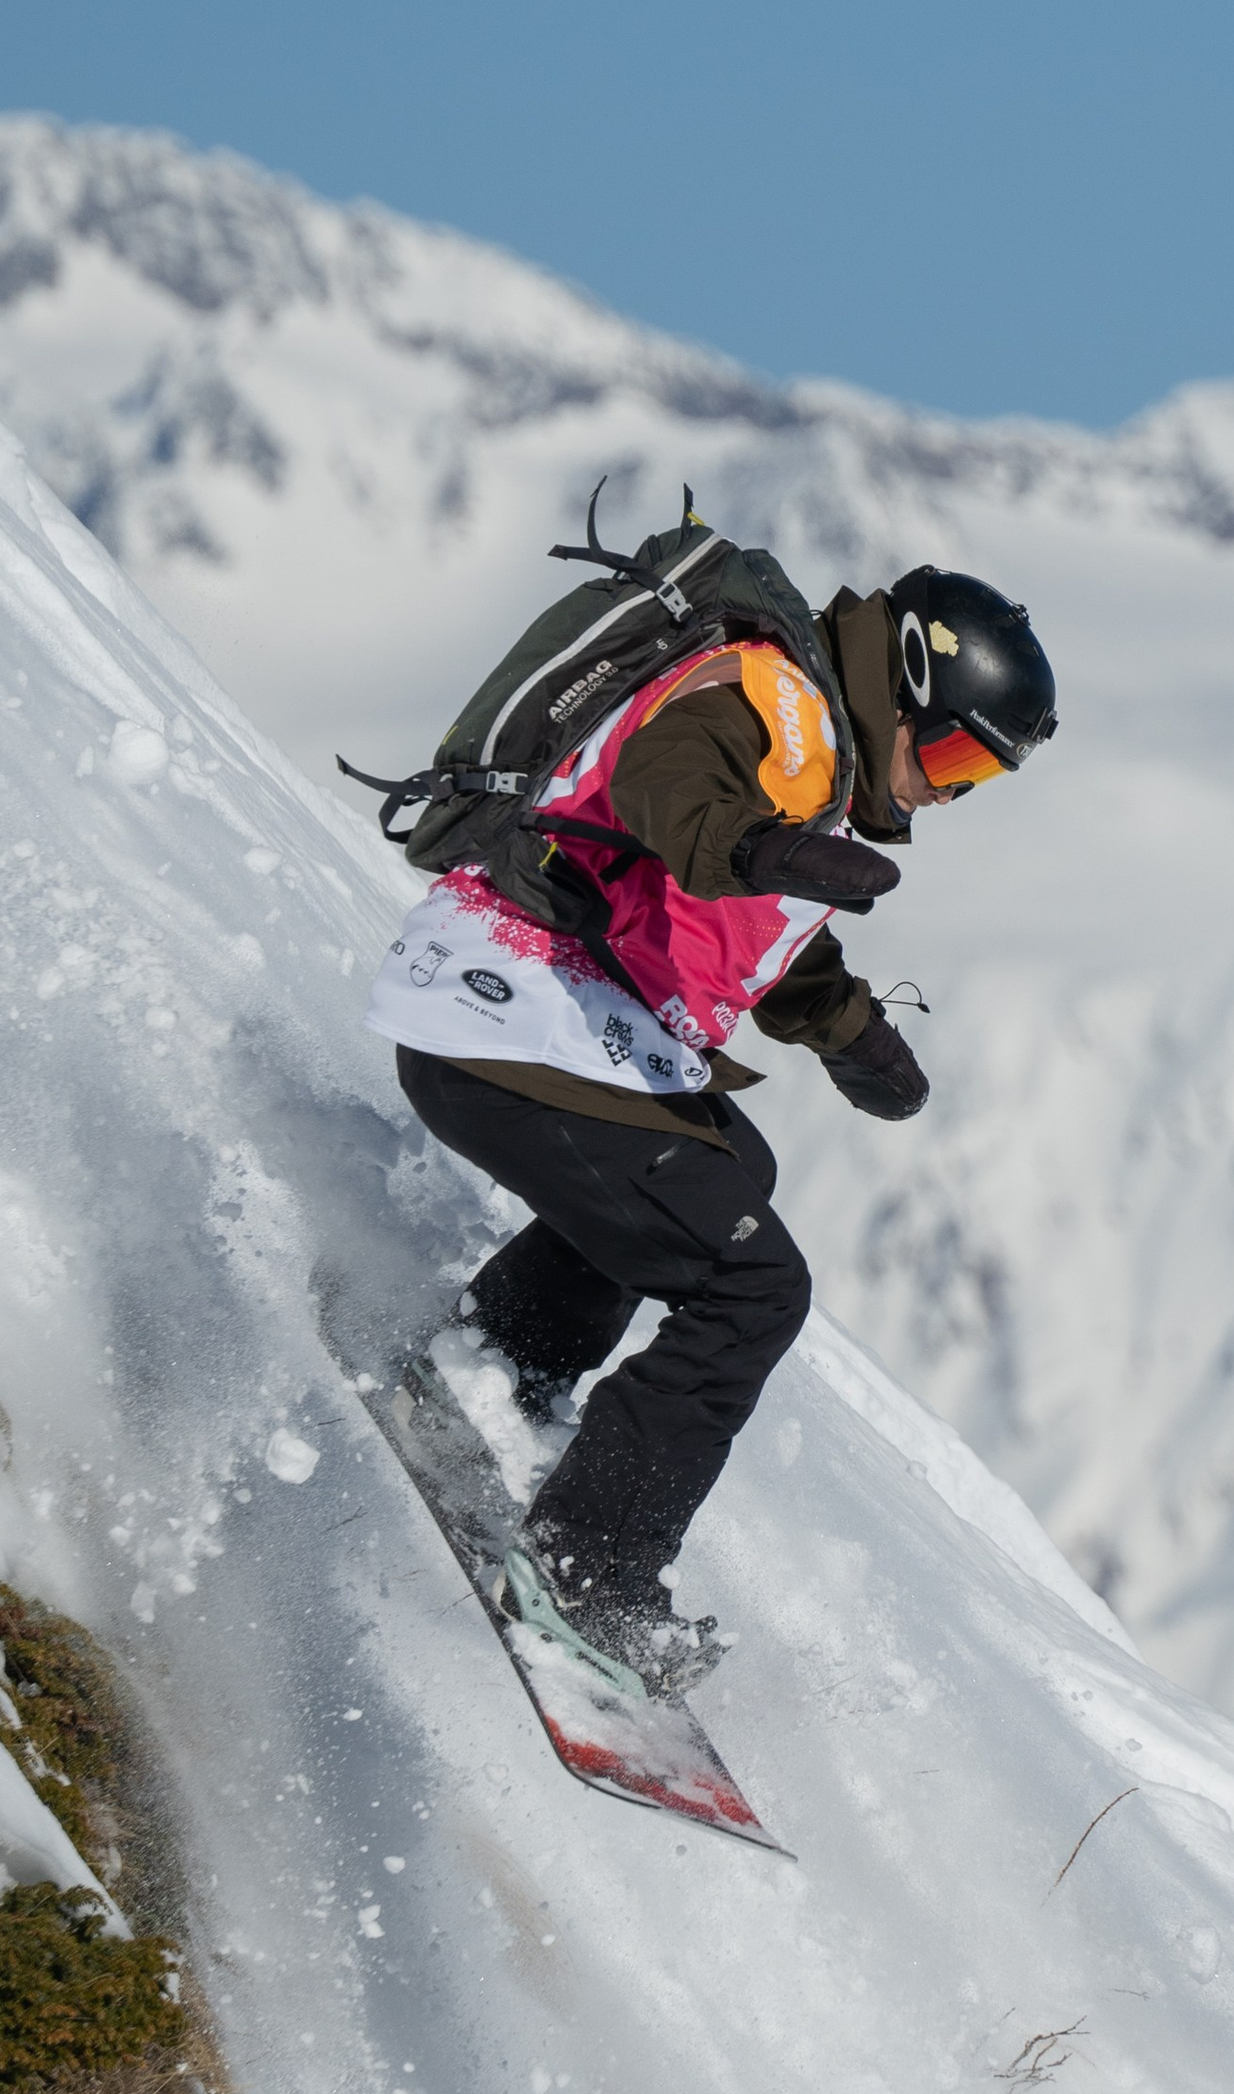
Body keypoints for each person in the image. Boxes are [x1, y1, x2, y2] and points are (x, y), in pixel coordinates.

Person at [363, 549, 1058, 1694]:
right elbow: (667, 782)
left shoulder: (813, 749)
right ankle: (589, 1570)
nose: (942, 792)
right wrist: (751, 846)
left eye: (974, 780)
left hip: (519, 1013)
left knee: (727, 1169)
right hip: (508, 1014)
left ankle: (489, 1367)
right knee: (751, 1284)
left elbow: (732, 926)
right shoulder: (769, 691)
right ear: (907, 690)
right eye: (947, 755)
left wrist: (849, 1032)